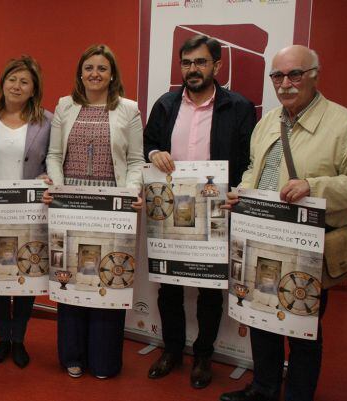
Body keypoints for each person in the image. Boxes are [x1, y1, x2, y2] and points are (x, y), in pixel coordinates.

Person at [219, 45, 347, 401]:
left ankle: (299, 395)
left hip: (307, 246)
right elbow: (254, 169)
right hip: (260, 239)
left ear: (315, 75)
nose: (285, 83)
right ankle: (263, 388)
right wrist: (241, 192)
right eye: (278, 75)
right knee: (262, 321)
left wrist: (314, 186)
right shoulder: (267, 123)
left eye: (295, 74)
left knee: (303, 328)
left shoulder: (342, 123)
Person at [143, 35, 256, 389]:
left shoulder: (239, 107)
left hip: (216, 210)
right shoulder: (165, 104)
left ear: (217, 66)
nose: (193, 69)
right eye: (187, 63)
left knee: (210, 289)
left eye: (201, 62)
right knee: (170, 287)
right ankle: (172, 350)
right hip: (170, 211)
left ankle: (204, 355)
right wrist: (153, 155)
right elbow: (148, 144)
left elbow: (248, 157)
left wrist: (236, 192)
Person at [43, 44, 144, 379]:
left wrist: (131, 194)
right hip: (69, 207)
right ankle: (72, 354)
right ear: (80, 73)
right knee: (71, 278)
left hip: (112, 209)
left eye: (102, 68)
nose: (95, 74)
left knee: (108, 276)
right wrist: (57, 189)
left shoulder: (128, 109)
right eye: (89, 68)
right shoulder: (64, 106)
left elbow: (134, 161)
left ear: (112, 73)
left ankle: (104, 359)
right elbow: (54, 155)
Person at [0, 55, 52, 368]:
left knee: (26, 277)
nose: (17, 86)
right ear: (2, 83)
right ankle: (3, 337)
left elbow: (49, 162)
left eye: (24, 81)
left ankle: (20, 339)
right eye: (12, 79)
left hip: (29, 213)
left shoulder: (47, 120)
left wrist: (46, 176)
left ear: (33, 90)